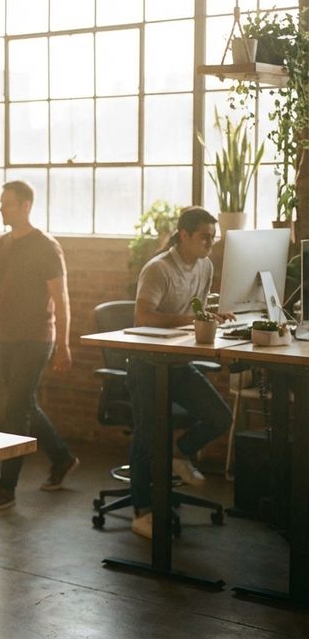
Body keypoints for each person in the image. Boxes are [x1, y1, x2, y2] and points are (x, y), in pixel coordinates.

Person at [0, 180, 79, 512]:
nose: (1, 208)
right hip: (6, 337)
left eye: (8, 203)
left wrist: (64, 344)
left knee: (15, 410)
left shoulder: (46, 247)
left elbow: (61, 299)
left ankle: (6, 488)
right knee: (23, 403)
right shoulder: (1, 246)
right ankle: (62, 458)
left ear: (26, 206)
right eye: (1, 203)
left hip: (37, 337)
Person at [127, 206, 233, 539]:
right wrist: (191, 320)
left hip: (178, 363)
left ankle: (179, 453)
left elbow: (197, 312)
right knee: (147, 433)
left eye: (213, 239)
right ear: (183, 235)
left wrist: (214, 316)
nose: (209, 245)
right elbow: (143, 316)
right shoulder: (158, 269)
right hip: (146, 365)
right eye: (204, 237)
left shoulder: (205, 266)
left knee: (220, 417)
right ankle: (142, 512)